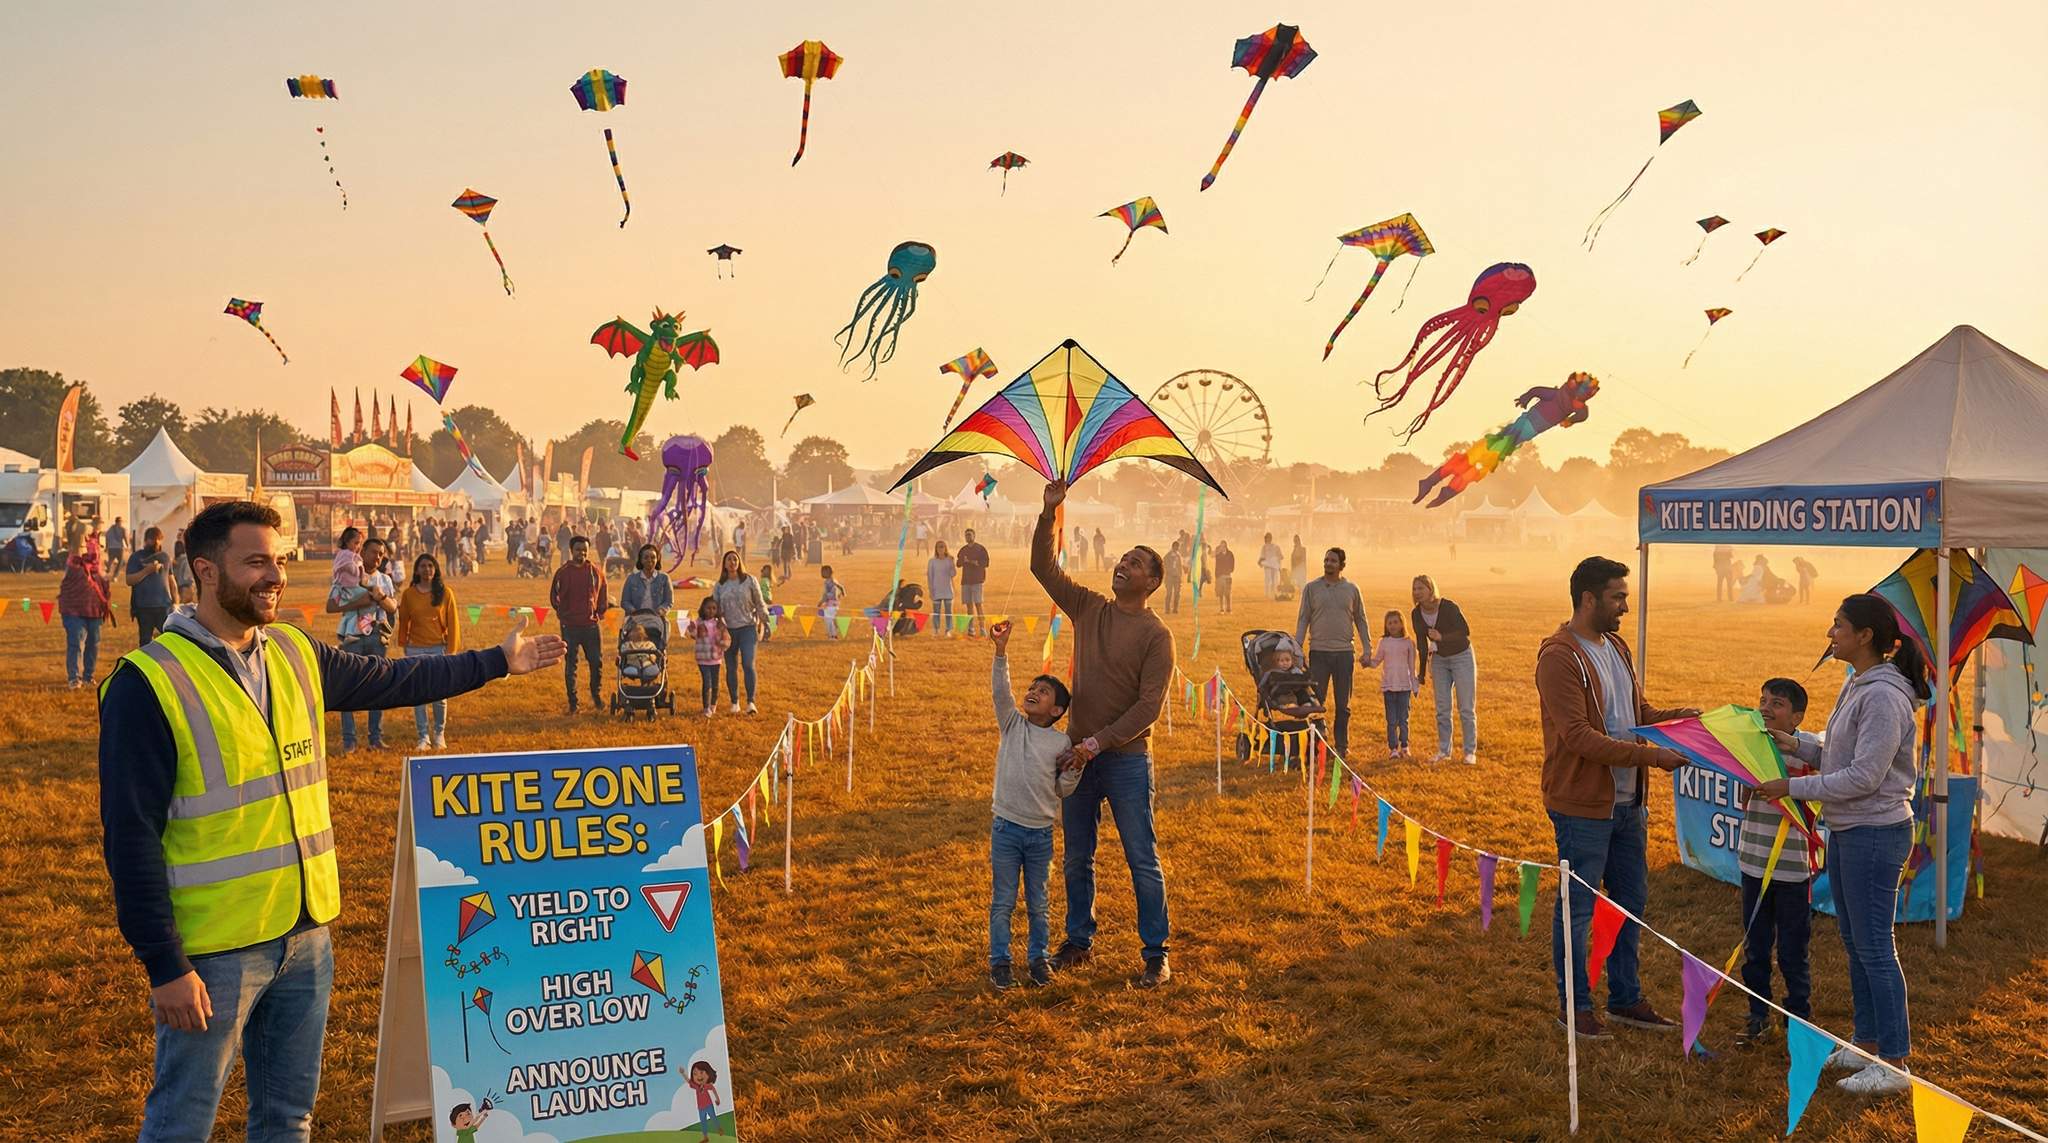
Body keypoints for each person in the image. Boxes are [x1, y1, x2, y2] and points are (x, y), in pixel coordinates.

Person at [97, 500, 562, 1141]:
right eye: (255, 561)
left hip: (307, 935)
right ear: (205, 570)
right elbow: (130, 839)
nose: (275, 576)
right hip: (214, 955)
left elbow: (392, 679)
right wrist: (165, 965)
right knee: (182, 1124)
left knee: (290, 1119)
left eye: (280, 560)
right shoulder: (148, 681)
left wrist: (492, 664)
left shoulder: (293, 652)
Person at [1754, 594, 1928, 1095]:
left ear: (1865, 636)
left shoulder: (1882, 695)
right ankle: (1866, 1041)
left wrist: (1791, 786)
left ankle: (1894, 1063)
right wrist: (1798, 745)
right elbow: (1842, 754)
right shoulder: (1859, 684)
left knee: (1875, 947)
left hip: (1876, 832)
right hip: (1852, 830)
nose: (1830, 634)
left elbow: (1864, 777)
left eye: (1838, 626)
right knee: (1856, 942)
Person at [1537, 556, 1697, 1040]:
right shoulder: (1559, 657)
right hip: (1582, 806)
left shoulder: (1617, 646)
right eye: (1618, 597)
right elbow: (1580, 738)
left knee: (1630, 902)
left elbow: (1636, 712)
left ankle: (1626, 999)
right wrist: (1653, 759)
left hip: (1629, 806)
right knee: (1579, 910)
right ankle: (1576, 1006)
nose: (1626, 607)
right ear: (1589, 599)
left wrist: (1681, 721)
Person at [1032, 480, 1174, 988]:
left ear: (1152, 580)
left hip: (1126, 759)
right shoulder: (1090, 608)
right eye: (1123, 559)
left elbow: (1148, 707)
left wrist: (1098, 743)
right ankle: (1078, 939)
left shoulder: (1157, 636)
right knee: (1076, 856)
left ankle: (1156, 953)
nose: (1123, 564)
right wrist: (1049, 513)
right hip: (1078, 759)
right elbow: (1042, 569)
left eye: (1135, 563)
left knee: (1141, 857)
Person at [985, 619, 1078, 990]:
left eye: (1043, 692)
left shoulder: (1060, 744)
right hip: (1006, 829)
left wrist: (1076, 768)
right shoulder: (1012, 725)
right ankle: (1000, 962)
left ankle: (1038, 960)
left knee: (1039, 903)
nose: (1033, 693)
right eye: (1032, 688)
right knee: (1003, 901)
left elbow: (1063, 790)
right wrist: (1001, 651)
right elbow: (1000, 692)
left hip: (1040, 835)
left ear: (1057, 711)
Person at [1734, 677, 1817, 1049]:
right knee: (1756, 944)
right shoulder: (1752, 748)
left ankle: (1798, 1014)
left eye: (1777, 703)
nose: (1766, 708)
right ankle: (1758, 1013)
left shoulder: (1809, 751)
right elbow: (1743, 800)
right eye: (1762, 699)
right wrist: (1748, 775)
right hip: (1753, 863)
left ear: (1797, 716)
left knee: (1792, 949)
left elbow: (1814, 801)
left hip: (1792, 869)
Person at [1294, 548, 1373, 760]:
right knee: (1316, 702)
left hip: (1344, 654)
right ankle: (1316, 743)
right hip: (1319, 652)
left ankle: (1341, 745)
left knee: (1342, 704)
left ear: (1341, 565)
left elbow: (1361, 620)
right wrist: (1297, 647)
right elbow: (1303, 618)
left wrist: (1367, 648)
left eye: (1333, 561)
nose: (1328, 563)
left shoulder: (1351, 589)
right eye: (1326, 560)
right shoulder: (1312, 588)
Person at [330, 536, 396, 752]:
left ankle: (375, 738)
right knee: (347, 686)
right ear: (362, 553)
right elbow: (331, 606)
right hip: (352, 638)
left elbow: (392, 607)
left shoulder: (385, 579)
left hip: (377, 637)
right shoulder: (347, 577)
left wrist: (381, 597)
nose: (377, 557)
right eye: (373, 552)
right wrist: (365, 600)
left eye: (381, 554)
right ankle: (349, 740)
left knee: (377, 687)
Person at [394, 552, 462, 750]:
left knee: (440, 695)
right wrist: (404, 644)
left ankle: (439, 734)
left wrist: (451, 650)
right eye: (423, 566)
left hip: (438, 648)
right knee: (419, 695)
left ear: (436, 569)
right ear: (416, 570)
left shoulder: (445, 593)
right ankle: (423, 736)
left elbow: (453, 622)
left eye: (430, 566)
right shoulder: (409, 594)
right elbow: (404, 619)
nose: (427, 570)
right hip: (415, 649)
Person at [1412, 574, 1478, 765]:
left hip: (1461, 656)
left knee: (1466, 707)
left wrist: (1442, 637)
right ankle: (1444, 751)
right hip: (1439, 661)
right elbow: (1421, 645)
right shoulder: (1416, 614)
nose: (1417, 592)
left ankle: (1469, 752)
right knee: (1442, 709)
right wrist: (1422, 673)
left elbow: (1465, 632)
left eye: (1421, 588)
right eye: (1415, 589)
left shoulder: (1448, 607)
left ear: (1431, 589)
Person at [549, 536, 610, 714]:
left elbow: (603, 592)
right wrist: (563, 613)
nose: (581, 553)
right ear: (571, 550)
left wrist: (599, 613)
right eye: (578, 549)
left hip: (591, 626)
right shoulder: (563, 572)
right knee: (571, 665)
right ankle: (573, 702)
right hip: (570, 627)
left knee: (596, 663)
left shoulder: (595, 572)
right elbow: (554, 596)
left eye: (585, 549)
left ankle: (596, 696)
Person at [713, 550, 769, 713]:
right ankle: (734, 702)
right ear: (724, 564)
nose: (732, 562)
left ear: (739, 562)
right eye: (729, 559)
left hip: (748, 628)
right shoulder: (720, 585)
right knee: (731, 667)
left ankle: (751, 702)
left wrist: (765, 620)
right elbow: (714, 608)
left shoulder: (749, 580)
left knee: (747, 664)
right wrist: (712, 624)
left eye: (735, 559)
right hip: (728, 631)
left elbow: (760, 602)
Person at [60, 533, 114, 688]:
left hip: (94, 611)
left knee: (93, 644)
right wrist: (78, 541)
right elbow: (73, 553)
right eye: (91, 547)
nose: (94, 551)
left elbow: (104, 589)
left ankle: (88, 676)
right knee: (76, 644)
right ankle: (74, 678)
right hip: (73, 611)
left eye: (96, 548)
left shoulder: (99, 570)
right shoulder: (74, 563)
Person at [1368, 610, 1419, 759]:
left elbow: (1412, 666)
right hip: (1389, 687)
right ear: (1386, 625)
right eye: (1389, 623)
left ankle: (1405, 745)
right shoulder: (1383, 642)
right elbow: (1377, 661)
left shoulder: (1409, 643)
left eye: (1396, 622)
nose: (1393, 625)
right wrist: (1367, 662)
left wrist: (1414, 686)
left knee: (1403, 718)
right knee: (1391, 720)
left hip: (1404, 687)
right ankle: (1393, 748)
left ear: (1402, 623)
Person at [126, 527, 176, 645]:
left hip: (164, 606)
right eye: (152, 539)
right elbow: (129, 580)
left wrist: (176, 602)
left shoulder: (165, 557)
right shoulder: (136, 557)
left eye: (158, 539)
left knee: (169, 640)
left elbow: (171, 581)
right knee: (145, 641)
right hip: (144, 607)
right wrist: (147, 571)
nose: (155, 542)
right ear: (145, 540)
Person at [684, 598, 731, 716]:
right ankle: (706, 708)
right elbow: (693, 635)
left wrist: (723, 643)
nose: (711, 611)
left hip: (716, 658)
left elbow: (726, 638)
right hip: (703, 659)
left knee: (715, 684)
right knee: (707, 683)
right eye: (708, 608)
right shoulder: (699, 623)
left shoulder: (720, 624)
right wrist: (690, 626)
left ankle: (713, 704)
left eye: (714, 608)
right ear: (703, 609)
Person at [620, 544, 674, 626]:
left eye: (653, 557)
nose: (649, 560)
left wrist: (661, 610)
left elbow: (669, 601)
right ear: (641, 560)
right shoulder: (631, 579)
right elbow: (625, 602)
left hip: (658, 621)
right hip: (635, 621)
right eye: (646, 557)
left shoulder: (664, 578)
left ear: (657, 559)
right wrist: (635, 612)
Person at [957, 528, 991, 636]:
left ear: (974, 536)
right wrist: (964, 560)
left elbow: (986, 563)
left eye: (970, 535)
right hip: (966, 581)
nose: (968, 537)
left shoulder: (980, 549)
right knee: (969, 606)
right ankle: (971, 628)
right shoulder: (963, 550)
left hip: (977, 580)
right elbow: (958, 564)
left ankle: (982, 628)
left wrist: (976, 562)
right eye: (966, 535)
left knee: (978, 604)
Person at [928, 540, 958, 638]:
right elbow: (930, 576)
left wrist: (952, 564)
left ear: (945, 548)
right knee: (936, 611)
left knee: (948, 612)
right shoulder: (932, 561)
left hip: (947, 590)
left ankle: (948, 630)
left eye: (942, 546)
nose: (941, 549)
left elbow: (953, 574)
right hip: (936, 590)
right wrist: (931, 590)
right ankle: (936, 630)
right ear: (936, 549)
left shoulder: (949, 560)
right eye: (939, 547)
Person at [819, 564, 845, 639]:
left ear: (828, 572)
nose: (822, 574)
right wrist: (843, 593)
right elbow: (840, 586)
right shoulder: (833, 580)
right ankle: (832, 634)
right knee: (829, 618)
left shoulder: (828, 582)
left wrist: (821, 601)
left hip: (831, 603)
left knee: (828, 619)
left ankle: (833, 636)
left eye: (823, 572)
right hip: (834, 603)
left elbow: (827, 594)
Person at [1258, 532, 1283, 599]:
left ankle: (1273, 593)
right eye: (1266, 538)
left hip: (1273, 566)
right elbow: (1262, 557)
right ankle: (1268, 594)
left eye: (1268, 537)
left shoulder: (1275, 546)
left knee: (1273, 580)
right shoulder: (1265, 547)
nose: (1267, 539)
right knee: (1269, 580)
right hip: (1269, 566)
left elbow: (1280, 556)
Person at [1162, 541, 1184, 614]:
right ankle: (1167, 609)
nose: (1178, 548)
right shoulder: (1167, 556)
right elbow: (1164, 566)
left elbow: (1180, 567)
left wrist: (1180, 576)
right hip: (1169, 577)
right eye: (1177, 547)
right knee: (1169, 593)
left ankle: (1175, 609)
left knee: (1177, 593)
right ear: (1174, 547)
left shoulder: (1178, 556)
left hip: (1177, 577)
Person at [1214, 540, 1236, 613]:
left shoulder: (1230, 554)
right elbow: (1212, 555)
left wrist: (1230, 570)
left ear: (1226, 546)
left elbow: (1233, 563)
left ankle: (1228, 608)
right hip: (1219, 576)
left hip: (1227, 575)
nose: (1223, 547)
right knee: (1220, 593)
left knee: (1227, 593)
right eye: (1221, 546)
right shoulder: (1218, 555)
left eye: (1224, 546)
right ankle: (1221, 608)